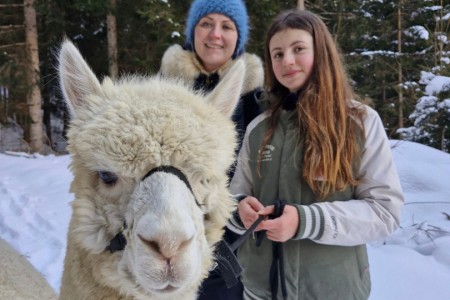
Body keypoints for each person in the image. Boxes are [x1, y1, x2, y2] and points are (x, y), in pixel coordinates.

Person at [227, 10, 404, 300]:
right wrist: (240, 210)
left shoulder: (359, 122)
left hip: (332, 290)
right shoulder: (259, 128)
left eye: (298, 49)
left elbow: (384, 211)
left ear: (321, 51)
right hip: (261, 290)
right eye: (278, 54)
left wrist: (305, 220)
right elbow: (236, 196)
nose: (288, 61)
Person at [159, 0, 264, 299]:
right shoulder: (162, 92)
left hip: (232, 246)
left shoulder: (258, 99)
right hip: (168, 240)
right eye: (206, 23)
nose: (215, 34)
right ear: (192, 32)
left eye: (227, 26)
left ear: (238, 39)